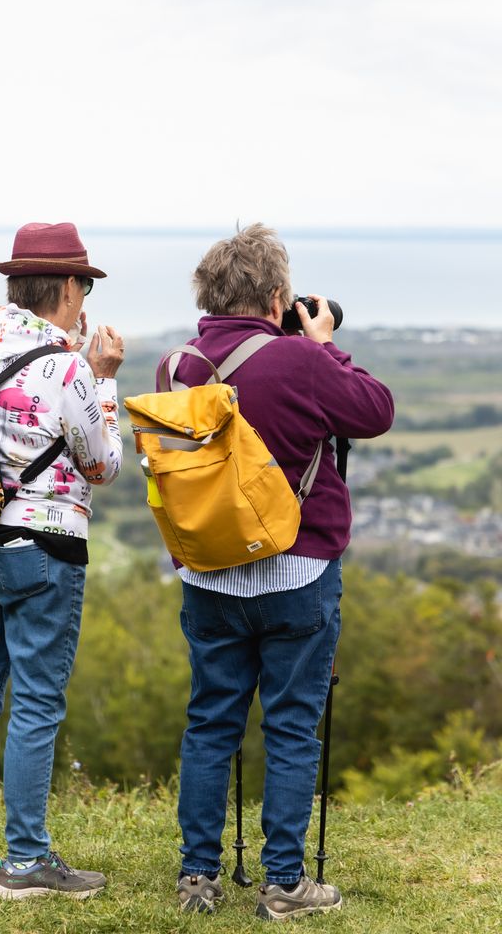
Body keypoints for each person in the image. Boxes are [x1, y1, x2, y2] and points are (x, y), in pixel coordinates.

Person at [168, 224, 394, 919]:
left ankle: (197, 877)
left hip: (209, 575)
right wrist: (322, 344)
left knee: (211, 723)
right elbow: (374, 410)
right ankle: (286, 884)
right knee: (292, 727)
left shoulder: (178, 367)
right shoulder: (299, 361)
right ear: (277, 297)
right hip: (298, 574)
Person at [0, 222, 124, 900]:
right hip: (42, 551)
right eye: (84, 287)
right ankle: (25, 864)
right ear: (70, 286)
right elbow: (102, 464)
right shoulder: (71, 367)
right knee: (36, 702)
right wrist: (101, 380)